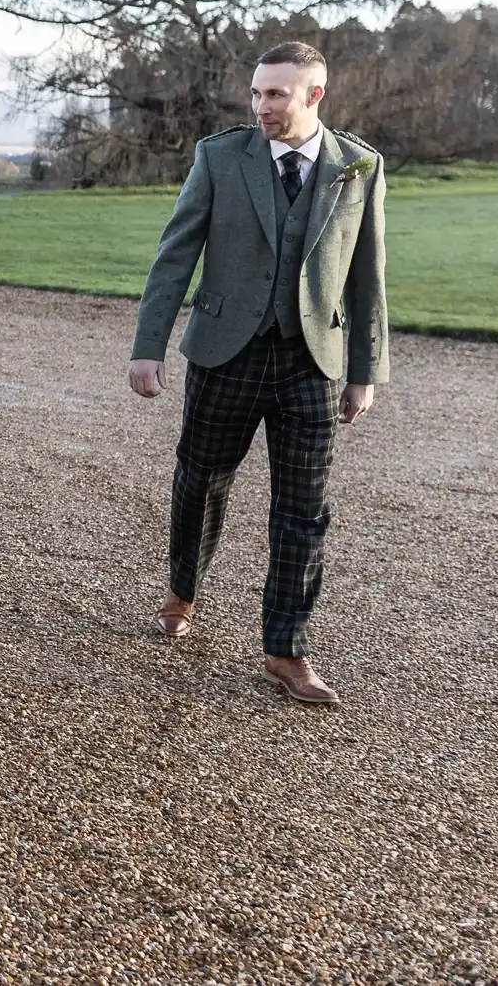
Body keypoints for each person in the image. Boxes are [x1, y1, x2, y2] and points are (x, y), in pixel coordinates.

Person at [129, 40, 389, 706]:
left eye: (276, 93)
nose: (261, 105)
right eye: (256, 93)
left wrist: (364, 372)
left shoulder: (359, 165)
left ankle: (286, 647)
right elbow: (175, 251)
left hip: (311, 362)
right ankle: (183, 586)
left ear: (313, 95)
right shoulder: (220, 156)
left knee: (303, 509)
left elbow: (368, 277)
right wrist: (148, 345)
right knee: (199, 486)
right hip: (225, 351)